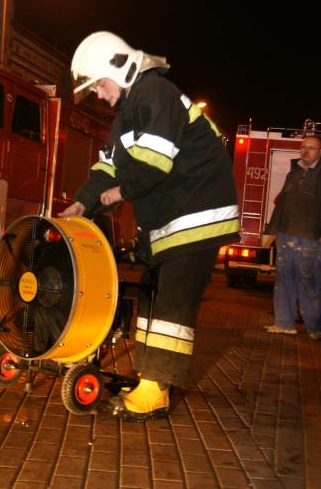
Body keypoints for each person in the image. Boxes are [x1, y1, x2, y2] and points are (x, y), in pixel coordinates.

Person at [59, 31, 240, 421]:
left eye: (100, 86)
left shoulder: (154, 94)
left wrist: (115, 195)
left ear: (119, 69)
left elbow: (153, 165)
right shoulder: (128, 113)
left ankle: (155, 391)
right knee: (154, 298)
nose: (101, 96)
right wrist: (82, 202)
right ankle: (150, 381)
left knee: (172, 304)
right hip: (174, 218)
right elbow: (107, 167)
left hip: (196, 216)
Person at [263, 136, 321, 340]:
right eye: (303, 147)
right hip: (286, 234)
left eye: (311, 148)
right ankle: (284, 323)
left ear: (320, 151)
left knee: (311, 284)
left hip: (311, 238)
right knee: (284, 281)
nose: (306, 151)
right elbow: (282, 201)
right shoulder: (294, 172)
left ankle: (314, 328)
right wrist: (275, 229)